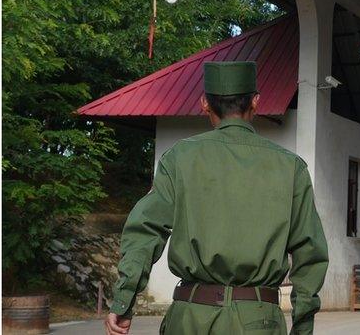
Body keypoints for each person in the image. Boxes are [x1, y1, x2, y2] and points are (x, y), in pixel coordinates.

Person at [105, 61, 329, 335]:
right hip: (259, 321)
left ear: (204, 103)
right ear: (256, 102)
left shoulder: (179, 158)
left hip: (190, 319)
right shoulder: (291, 168)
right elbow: (310, 254)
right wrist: (303, 327)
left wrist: (124, 300)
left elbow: (144, 232)